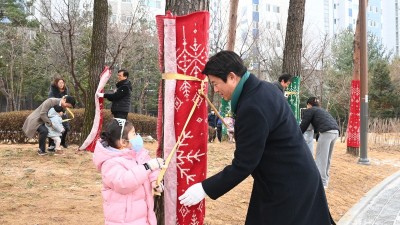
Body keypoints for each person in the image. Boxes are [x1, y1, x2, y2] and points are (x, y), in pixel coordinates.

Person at [178, 51, 335, 225]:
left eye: (215, 83)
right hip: (290, 178)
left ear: (232, 77)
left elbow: (243, 165)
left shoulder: (252, 105)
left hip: (289, 186)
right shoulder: (263, 89)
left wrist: (204, 189)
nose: (214, 89)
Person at [93, 119, 164, 225]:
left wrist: (155, 181)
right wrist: (148, 167)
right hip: (123, 220)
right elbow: (124, 183)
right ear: (123, 142)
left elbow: (150, 168)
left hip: (142, 216)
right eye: (134, 134)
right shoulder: (110, 163)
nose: (138, 137)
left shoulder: (138, 154)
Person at [300, 97, 340, 189]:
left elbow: (304, 125)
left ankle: (321, 183)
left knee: (321, 158)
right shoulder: (321, 111)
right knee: (327, 158)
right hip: (335, 132)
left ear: (309, 105)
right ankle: (325, 180)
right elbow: (322, 123)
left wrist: (297, 134)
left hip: (326, 133)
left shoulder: (310, 110)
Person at [48, 77, 70, 148]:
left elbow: (66, 102)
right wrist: (58, 111)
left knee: (66, 127)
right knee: (54, 128)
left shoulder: (65, 91)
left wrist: (62, 111)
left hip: (63, 111)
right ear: (56, 84)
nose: (61, 84)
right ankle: (51, 144)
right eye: (60, 83)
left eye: (62, 83)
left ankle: (62, 142)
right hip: (53, 112)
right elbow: (51, 102)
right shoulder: (52, 91)